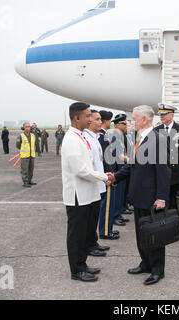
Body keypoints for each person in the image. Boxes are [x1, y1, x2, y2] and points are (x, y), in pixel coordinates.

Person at [107, 105, 171, 286]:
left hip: (152, 198)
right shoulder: (140, 138)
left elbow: (163, 171)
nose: (131, 122)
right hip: (139, 196)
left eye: (134, 118)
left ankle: (158, 270)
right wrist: (115, 178)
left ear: (144, 119)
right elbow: (132, 165)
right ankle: (146, 263)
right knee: (141, 235)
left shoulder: (156, 139)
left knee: (154, 236)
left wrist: (161, 198)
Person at [61, 102, 109, 283]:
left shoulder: (79, 136)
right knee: (76, 235)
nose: (90, 119)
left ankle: (82, 264)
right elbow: (81, 170)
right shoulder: (71, 139)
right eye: (88, 116)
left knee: (83, 233)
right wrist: (104, 176)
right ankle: (77, 270)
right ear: (77, 118)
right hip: (77, 195)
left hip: (86, 193)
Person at [154, 104, 179, 210]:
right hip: (161, 174)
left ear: (171, 115)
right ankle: (165, 225)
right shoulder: (156, 130)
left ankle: (176, 224)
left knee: (177, 203)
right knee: (163, 201)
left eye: (164, 114)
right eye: (160, 114)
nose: (161, 116)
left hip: (177, 174)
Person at [83, 110, 112, 256]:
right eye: (97, 119)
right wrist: (102, 177)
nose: (100, 122)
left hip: (99, 182)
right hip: (94, 183)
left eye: (101, 119)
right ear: (89, 121)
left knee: (94, 217)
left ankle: (93, 242)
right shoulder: (87, 139)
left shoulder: (95, 137)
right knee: (90, 219)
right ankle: (89, 246)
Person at [98, 110, 120, 237]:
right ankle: (105, 232)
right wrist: (109, 175)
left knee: (109, 204)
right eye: (109, 120)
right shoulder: (102, 137)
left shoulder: (104, 136)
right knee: (106, 206)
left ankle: (108, 229)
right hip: (107, 175)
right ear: (106, 121)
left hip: (109, 173)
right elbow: (105, 159)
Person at [111, 114, 131, 226]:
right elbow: (118, 154)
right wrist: (130, 161)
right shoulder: (115, 136)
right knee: (117, 194)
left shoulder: (121, 136)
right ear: (118, 124)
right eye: (124, 124)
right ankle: (115, 216)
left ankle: (118, 214)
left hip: (122, 167)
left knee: (121, 194)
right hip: (118, 168)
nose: (125, 126)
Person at [16, 123, 36, 188]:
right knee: (24, 170)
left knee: (31, 169)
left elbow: (34, 144)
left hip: (31, 155)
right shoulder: (21, 136)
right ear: (23, 128)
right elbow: (18, 145)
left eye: (28, 127)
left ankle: (29, 180)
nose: (27, 128)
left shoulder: (33, 135)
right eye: (26, 127)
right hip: (25, 156)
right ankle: (25, 182)